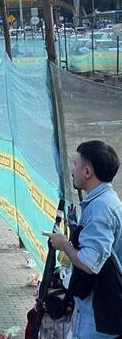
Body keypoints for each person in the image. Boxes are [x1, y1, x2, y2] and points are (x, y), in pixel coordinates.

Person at [44, 141, 122, 339]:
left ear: (87, 171)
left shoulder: (100, 209)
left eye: (75, 164)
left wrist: (64, 244)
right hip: (93, 311)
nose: (72, 170)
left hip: (100, 317)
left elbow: (89, 263)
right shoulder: (106, 200)